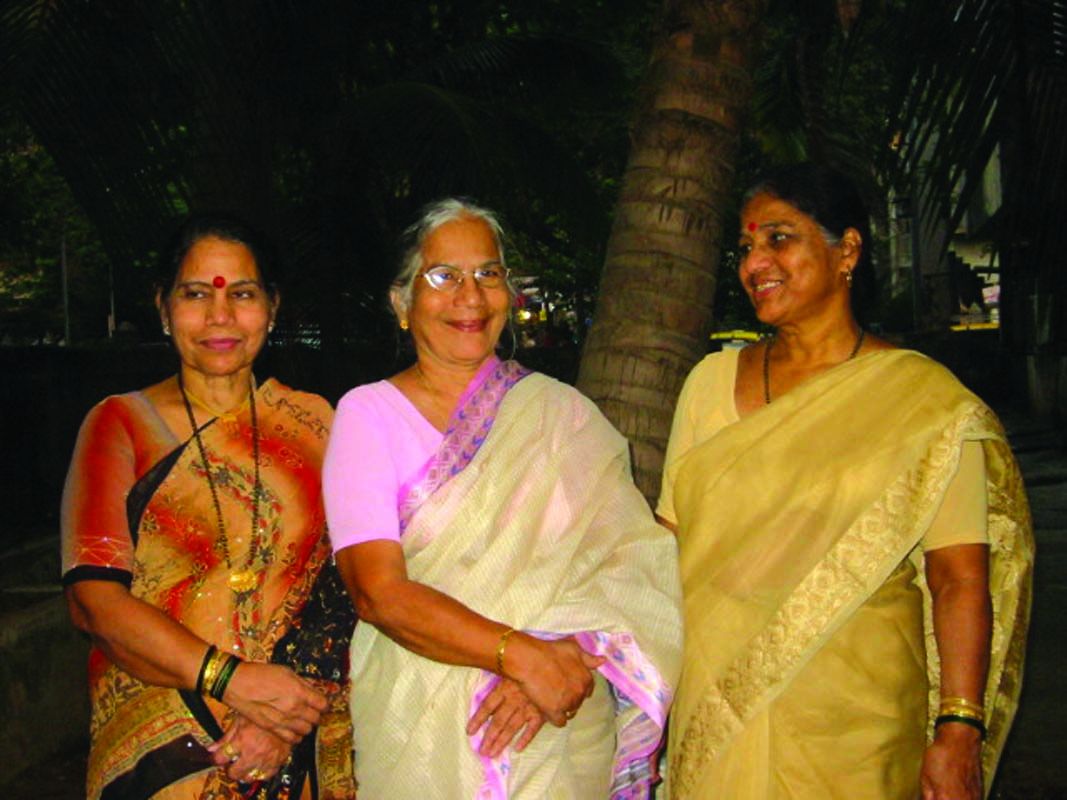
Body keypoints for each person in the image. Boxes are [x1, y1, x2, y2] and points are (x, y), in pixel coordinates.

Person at [656, 162, 1034, 800]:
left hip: (859, 725)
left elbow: (959, 577)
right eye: (745, 248)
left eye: (779, 238)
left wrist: (960, 730)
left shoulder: (924, 402)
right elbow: (664, 552)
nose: (755, 264)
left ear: (847, 251)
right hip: (715, 709)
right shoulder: (709, 385)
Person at [322, 198, 684, 798]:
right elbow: (378, 593)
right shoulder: (368, 415)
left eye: (488, 274)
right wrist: (516, 655)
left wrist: (557, 661)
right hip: (425, 724)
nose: (470, 296)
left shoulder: (562, 414)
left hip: (559, 715)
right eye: (443, 277)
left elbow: (632, 566)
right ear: (402, 302)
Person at [61, 213, 357, 800]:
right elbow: (93, 601)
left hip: (298, 731)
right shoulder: (120, 426)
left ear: (272, 308)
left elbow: (354, 584)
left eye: (242, 295)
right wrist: (235, 682)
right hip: (163, 744)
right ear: (163, 308)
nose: (219, 317)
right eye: (195, 294)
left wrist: (281, 715)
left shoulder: (320, 428)